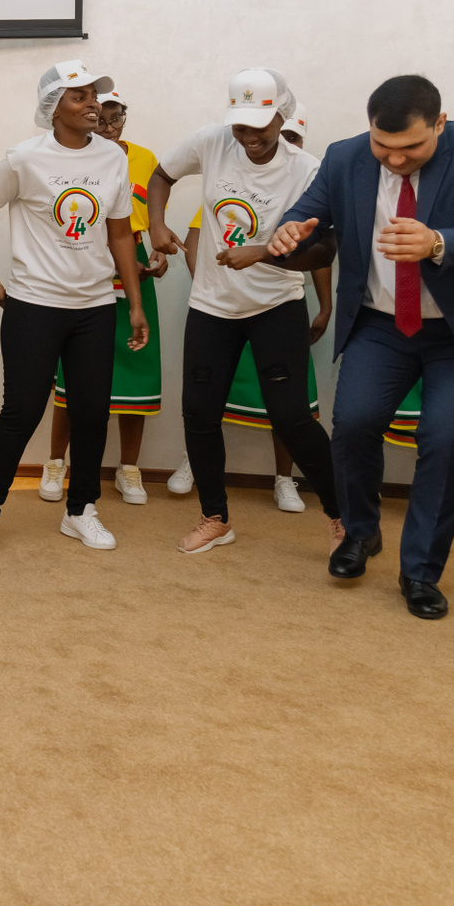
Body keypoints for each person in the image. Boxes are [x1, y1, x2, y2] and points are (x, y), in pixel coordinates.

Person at [266, 74, 454, 619]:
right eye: (382, 145)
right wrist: (290, 229)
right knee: (354, 424)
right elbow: (308, 211)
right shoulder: (344, 156)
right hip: (381, 324)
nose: (394, 159)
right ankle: (361, 533)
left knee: (445, 440)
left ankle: (421, 572)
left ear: (440, 123)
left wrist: (437, 242)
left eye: (410, 147)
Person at [149, 70, 340, 554]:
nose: (250, 137)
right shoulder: (211, 142)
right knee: (199, 413)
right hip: (212, 305)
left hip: (275, 305)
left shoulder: (307, 169)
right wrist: (156, 223)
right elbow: (162, 175)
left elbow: (325, 250)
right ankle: (215, 518)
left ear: (281, 116)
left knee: (292, 417)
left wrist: (263, 254)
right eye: (241, 127)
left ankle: (345, 515)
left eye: (260, 126)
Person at [0, 63, 145, 555]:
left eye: (94, 95)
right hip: (34, 305)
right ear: (52, 108)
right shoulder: (24, 158)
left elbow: (120, 232)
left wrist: (133, 302)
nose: (93, 104)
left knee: (91, 413)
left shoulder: (113, 157)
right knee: (21, 411)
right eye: (79, 96)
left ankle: (80, 510)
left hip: (94, 306)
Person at [41, 86, 168, 506]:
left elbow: (146, 221)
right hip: (83, 261)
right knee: (72, 369)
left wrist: (158, 252)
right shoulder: (71, 155)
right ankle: (56, 462)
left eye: (117, 118)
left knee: (137, 364)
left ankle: (128, 467)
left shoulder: (145, 159)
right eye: (103, 117)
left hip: (132, 262)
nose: (109, 126)